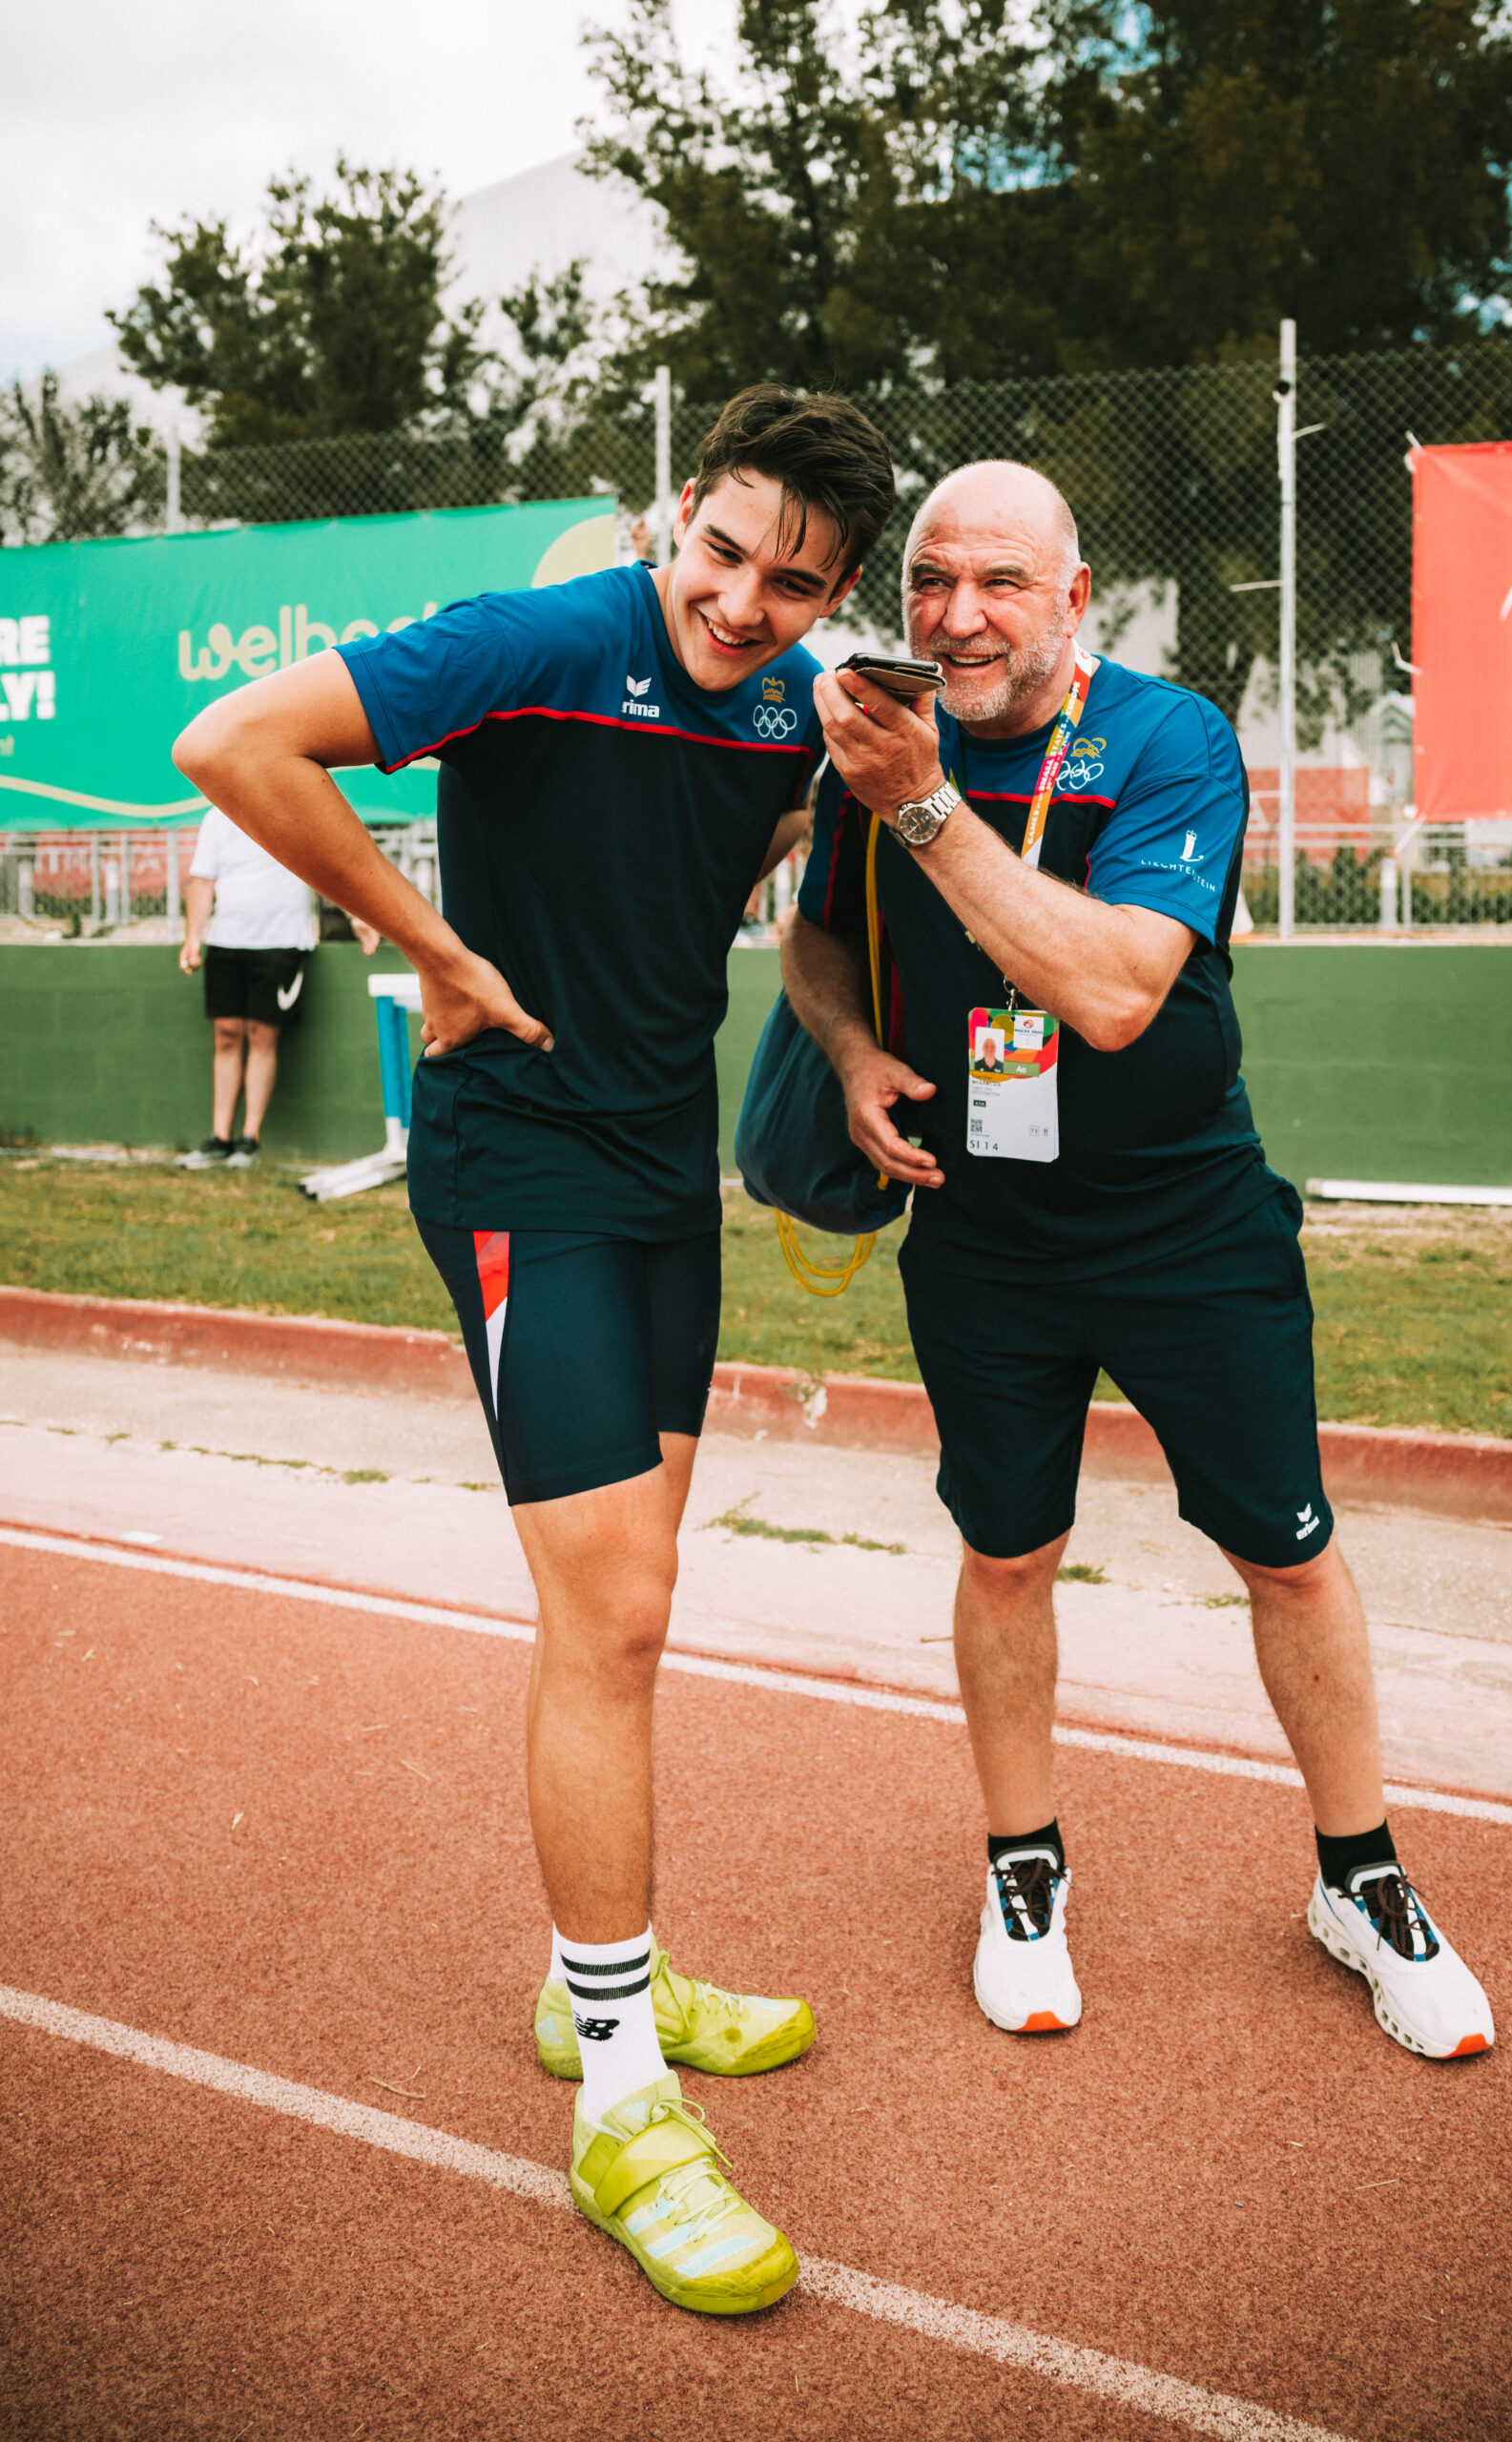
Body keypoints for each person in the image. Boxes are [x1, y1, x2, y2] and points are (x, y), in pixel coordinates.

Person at [174, 385, 896, 2314]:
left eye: (792, 582)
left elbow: (793, 863)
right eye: (721, 550)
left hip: (666, 1178)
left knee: (627, 1614)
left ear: (832, 588)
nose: (740, 602)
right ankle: (624, 2102)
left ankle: (603, 1979)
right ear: (680, 508)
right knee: (617, 1608)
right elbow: (230, 740)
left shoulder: (795, 708)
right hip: (518, 1167)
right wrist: (424, 938)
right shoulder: (536, 637)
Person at [782, 459, 1495, 2065]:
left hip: (1185, 1224)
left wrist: (927, 809)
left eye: (999, 582)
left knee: (1286, 1553)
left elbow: (1111, 995)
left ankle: (1358, 1878)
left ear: (1073, 597)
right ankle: (1022, 1867)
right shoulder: (870, 746)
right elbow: (814, 932)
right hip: (982, 1235)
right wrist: (843, 1049)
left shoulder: (1166, 739)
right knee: (1005, 1554)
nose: (957, 617)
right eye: (929, 582)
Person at [176, 805, 379, 1168]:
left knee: (261, 1035)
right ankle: (220, 1139)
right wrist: (193, 938)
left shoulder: (295, 811)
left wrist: (356, 916)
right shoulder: (216, 818)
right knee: (226, 1035)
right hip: (225, 943)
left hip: (282, 943)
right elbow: (202, 881)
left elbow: (325, 870)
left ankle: (249, 1140)